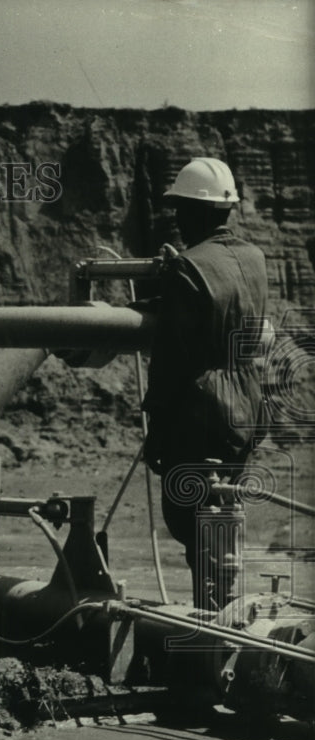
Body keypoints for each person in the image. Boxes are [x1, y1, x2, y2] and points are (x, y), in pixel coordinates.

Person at [140, 157, 269, 611]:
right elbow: (225, 300)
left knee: (190, 519)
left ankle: (207, 637)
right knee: (225, 512)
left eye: (180, 210)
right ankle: (224, 619)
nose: (175, 219)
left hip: (200, 408)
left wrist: (156, 428)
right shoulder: (256, 258)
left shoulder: (187, 269)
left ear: (194, 212)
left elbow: (172, 360)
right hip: (247, 403)